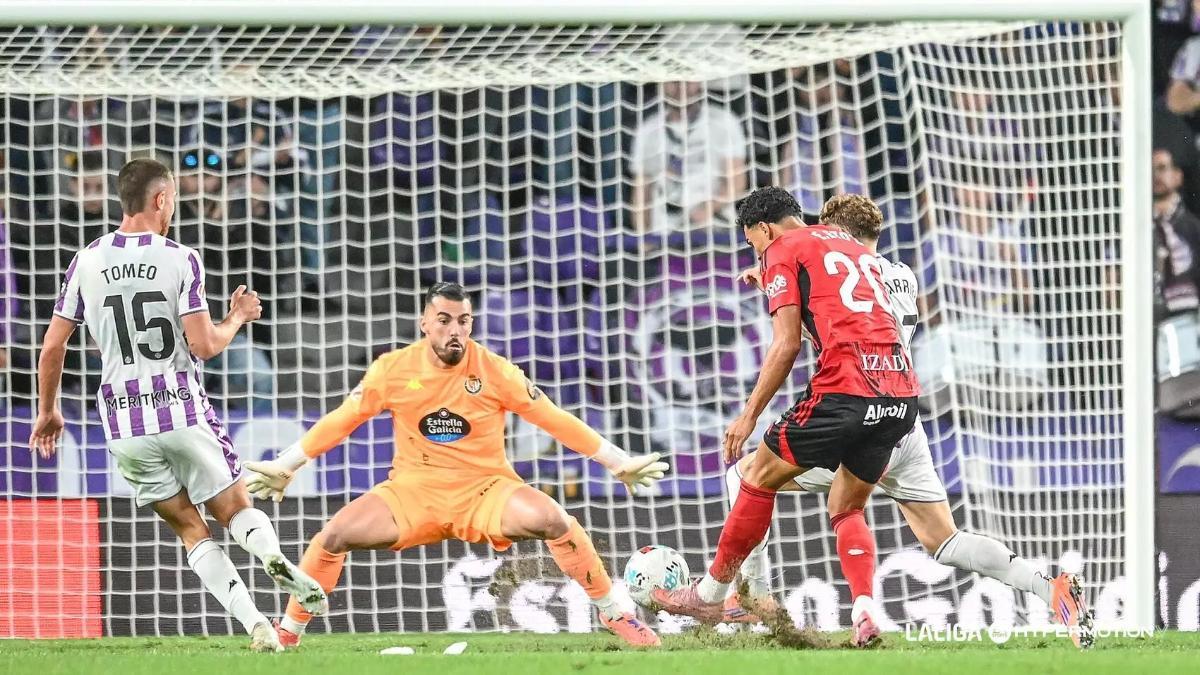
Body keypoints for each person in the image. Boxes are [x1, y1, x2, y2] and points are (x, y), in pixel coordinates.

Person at [729, 196, 1093, 649]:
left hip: (854, 410)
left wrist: (774, 280)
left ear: (832, 234)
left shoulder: (830, 272)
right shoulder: (901, 275)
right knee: (945, 540)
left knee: (748, 476)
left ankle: (752, 593)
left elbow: (824, 320)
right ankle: (1049, 587)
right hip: (903, 420)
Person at [244, 282, 669, 649]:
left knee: (553, 518)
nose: (454, 330)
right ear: (424, 323)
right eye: (444, 319)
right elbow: (343, 418)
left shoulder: (495, 370)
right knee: (334, 535)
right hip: (411, 492)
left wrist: (618, 463)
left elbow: (554, 418)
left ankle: (612, 611)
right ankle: (289, 631)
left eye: (463, 321)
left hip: (484, 490)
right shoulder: (393, 369)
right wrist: (287, 463)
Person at [27, 158, 326, 652]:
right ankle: (272, 557)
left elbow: (53, 345)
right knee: (234, 509)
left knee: (190, 528)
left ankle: (256, 625)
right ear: (161, 199)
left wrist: (48, 410)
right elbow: (206, 345)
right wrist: (237, 316)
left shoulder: (87, 259)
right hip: (179, 408)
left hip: (124, 423)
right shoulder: (179, 257)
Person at [650, 188, 918, 646]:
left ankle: (713, 593)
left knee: (755, 476)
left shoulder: (780, 247)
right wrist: (772, 274)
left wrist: (748, 415)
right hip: (899, 397)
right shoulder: (847, 242)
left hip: (845, 390)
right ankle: (866, 611)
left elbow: (786, 343)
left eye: (752, 241)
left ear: (764, 228)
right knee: (847, 507)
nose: (756, 250)